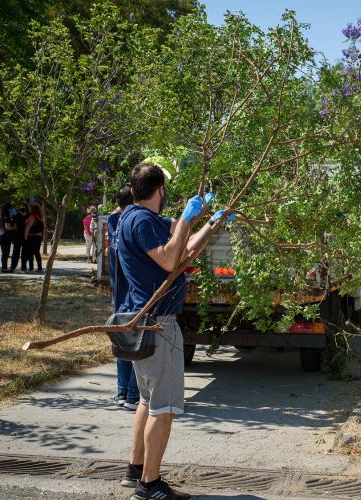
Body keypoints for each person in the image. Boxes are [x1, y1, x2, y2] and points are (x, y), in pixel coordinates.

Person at [117, 160, 222, 500]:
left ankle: (135, 471)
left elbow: (182, 257)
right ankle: (149, 486)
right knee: (163, 407)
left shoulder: (134, 219)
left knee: (147, 401)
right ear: (160, 190)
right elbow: (167, 258)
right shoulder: (142, 220)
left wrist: (211, 225)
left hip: (143, 320)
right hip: (157, 324)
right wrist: (189, 217)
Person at [108, 184, 139, 411]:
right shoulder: (134, 222)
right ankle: (132, 394)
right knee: (137, 341)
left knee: (122, 340)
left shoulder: (113, 222)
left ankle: (122, 392)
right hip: (133, 293)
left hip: (119, 293)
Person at [23, 203, 44, 273]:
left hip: (32, 237)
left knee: (30, 253)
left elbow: (28, 227)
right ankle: (40, 268)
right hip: (39, 237)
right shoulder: (40, 217)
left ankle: (31, 268)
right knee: (37, 252)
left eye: (30, 208)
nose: (29, 209)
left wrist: (25, 236)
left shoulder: (32, 216)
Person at [8, 203, 29, 272]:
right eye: (21, 208)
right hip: (17, 236)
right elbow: (12, 224)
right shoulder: (17, 215)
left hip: (26, 237)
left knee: (24, 253)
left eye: (24, 208)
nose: (22, 210)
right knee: (16, 252)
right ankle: (13, 267)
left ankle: (23, 267)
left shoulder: (28, 215)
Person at [0, 203, 16, 272]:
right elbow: (7, 227)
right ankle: (4, 268)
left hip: (2, 235)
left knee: (5, 252)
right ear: (8, 208)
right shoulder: (6, 215)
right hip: (5, 236)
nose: (11, 210)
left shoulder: (3, 214)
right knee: (5, 252)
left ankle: (4, 267)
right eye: (11, 208)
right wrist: (14, 227)